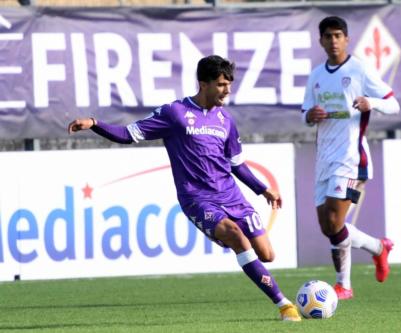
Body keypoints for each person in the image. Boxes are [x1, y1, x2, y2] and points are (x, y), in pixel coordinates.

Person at [68, 55, 301, 321]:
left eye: (229, 84)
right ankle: (284, 305)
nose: (227, 90)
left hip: (231, 195)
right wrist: (95, 124)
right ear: (203, 84)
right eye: (222, 84)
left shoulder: (225, 119)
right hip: (197, 199)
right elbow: (128, 134)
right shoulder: (175, 114)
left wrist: (262, 189)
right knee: (237, 237)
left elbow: (236, 163)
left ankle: (227, 236)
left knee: (267, 254)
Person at [301, 16, 400, 300]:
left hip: (351, 158)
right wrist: (310, 115)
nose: (333, 41)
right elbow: (304, 111)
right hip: (324, 159)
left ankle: (343, 285)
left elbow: (393, 103)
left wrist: (373, 103)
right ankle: (379, 248)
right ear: (320, 40)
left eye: (338, 35)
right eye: (328, 36)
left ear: (346, 39)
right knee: (328, 227)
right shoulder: (316, 75)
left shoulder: (359, 69)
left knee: (334, 220)